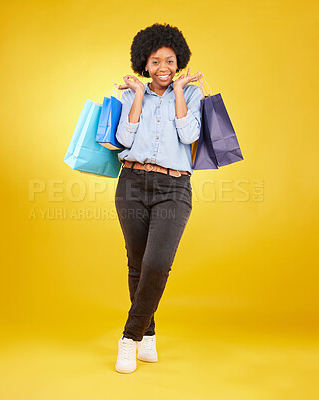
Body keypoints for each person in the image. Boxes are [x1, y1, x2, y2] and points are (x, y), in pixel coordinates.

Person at [114, 22, 203, 374]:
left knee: (157, 264)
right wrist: (137, 95)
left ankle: (129, 338)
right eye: (155, 61)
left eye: (169, 60)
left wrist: (180, 91)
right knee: (136, 264)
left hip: (174, 187)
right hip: (132, 183)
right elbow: (124, 137)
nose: (163, 67)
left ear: (178, 61)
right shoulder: (129, 93)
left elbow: (190, 134)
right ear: (144, 64)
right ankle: (148, 334)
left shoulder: (192, 93)